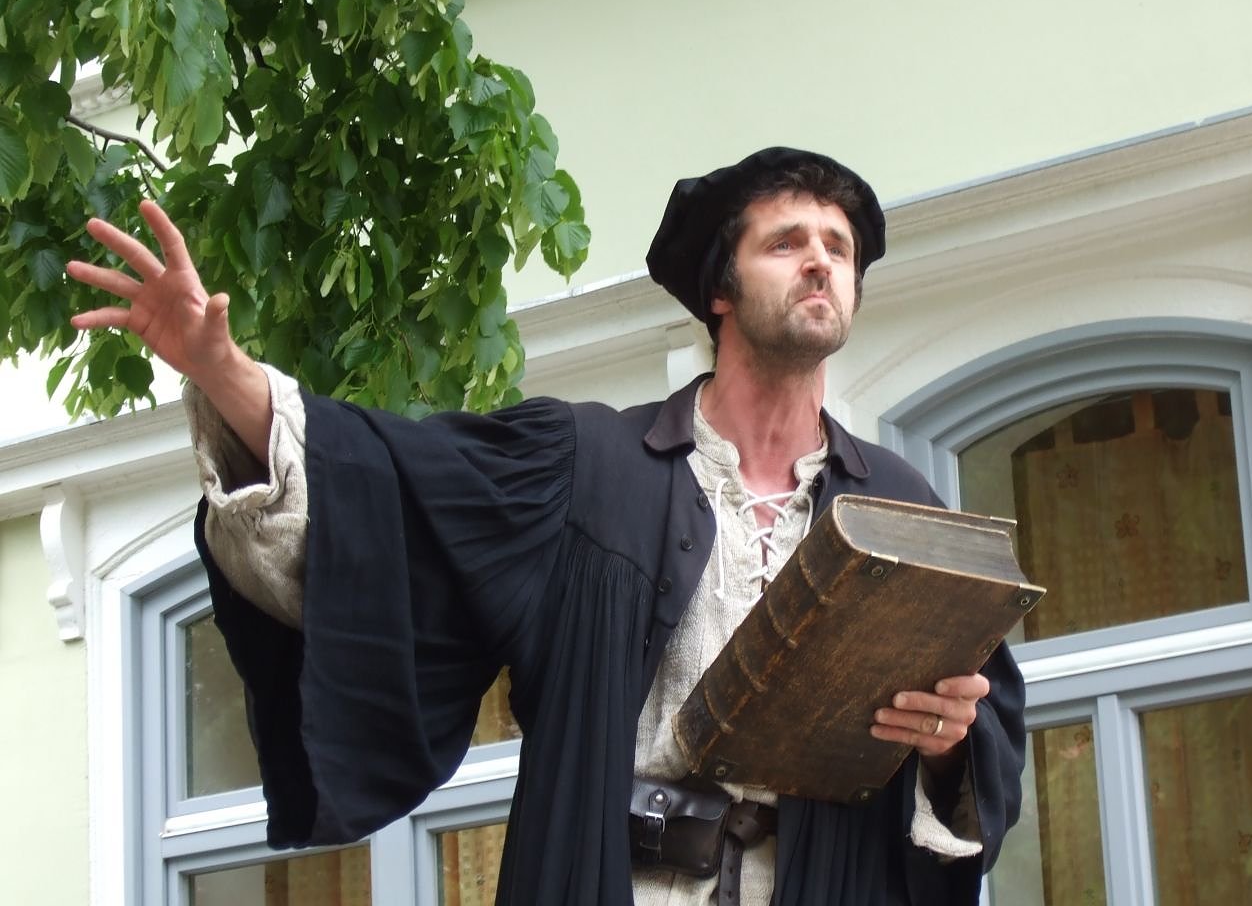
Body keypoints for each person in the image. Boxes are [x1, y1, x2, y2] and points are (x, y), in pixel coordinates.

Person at [66, 147, 1026, 905]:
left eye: (839, 249)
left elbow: (982, 754)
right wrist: (221, 369)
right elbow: (394, 489)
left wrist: (947, 743)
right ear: (720, 290)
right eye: (786, 242)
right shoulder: (588, 467)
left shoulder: (901, 508)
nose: (820, 260)